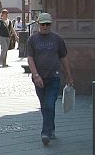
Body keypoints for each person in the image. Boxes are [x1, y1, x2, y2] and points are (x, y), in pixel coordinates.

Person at [27, 13, 74, 146]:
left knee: (50, 104)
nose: (46, 27)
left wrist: (69, 75)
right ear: (38, 24)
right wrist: (36, 75)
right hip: (39, 78)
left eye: (48, 24)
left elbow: (63, 58)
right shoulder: (32, 40)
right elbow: (30, 58)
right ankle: (51, 127)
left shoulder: (57, 39)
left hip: (54, 76)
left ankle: (45, 132)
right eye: (43, 24)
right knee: (44, 106)